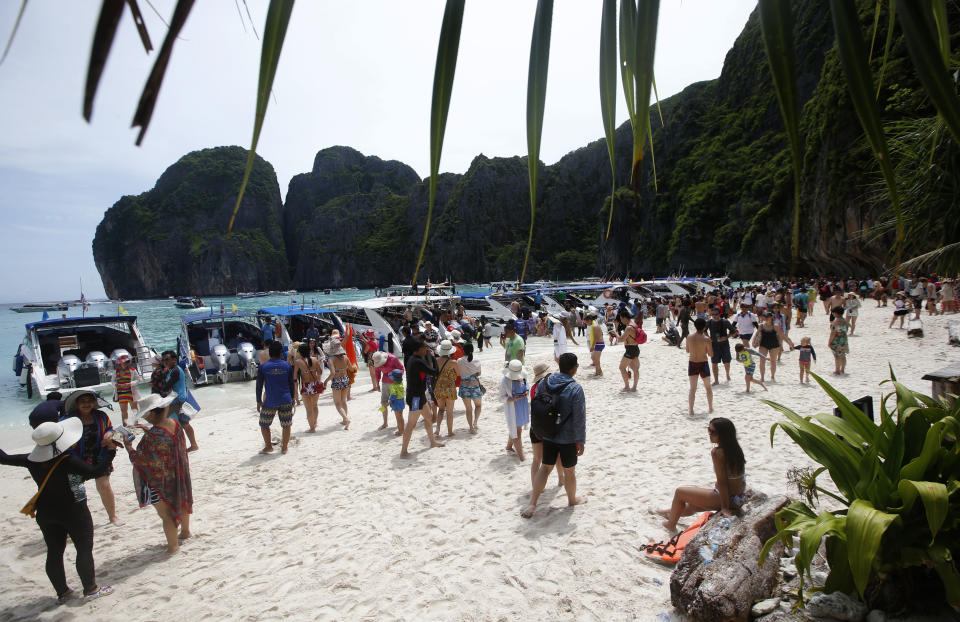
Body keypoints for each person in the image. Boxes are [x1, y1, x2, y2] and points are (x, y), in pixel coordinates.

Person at [0, 419, 113, 603]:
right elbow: (95, 471)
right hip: (74, 509)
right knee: (84, 548)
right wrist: (111, 451)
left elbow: (3, 458)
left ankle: (63, 593)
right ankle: (91, 590)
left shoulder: (31, 460)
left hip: (46, 512)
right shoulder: (67, 460)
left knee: (54, 551)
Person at [121, 393, 192, 554]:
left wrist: (129, 447)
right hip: (179, 475)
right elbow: (168, 443)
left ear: (151, 414)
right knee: (182, 501)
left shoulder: (153, 437)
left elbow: (140, 460)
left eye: (145, 414)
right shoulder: (174, 423)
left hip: (162, 482)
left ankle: (173, 547)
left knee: (166, 515)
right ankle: (186, 532)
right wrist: (149, 431)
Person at [521, 353, 586, 518]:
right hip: (567, 437)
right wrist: (580, 441)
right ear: (573, 368)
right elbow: (579, 417)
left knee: (545, 467)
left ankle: (532, 503)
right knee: (569, 471)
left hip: (547, 433)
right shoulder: (575, 388)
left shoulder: (544, 382)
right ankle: (572, 500)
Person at [657, 417, 746, 532]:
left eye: (712, 432)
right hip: (739, 498)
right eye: (708, 429)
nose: (709, 434)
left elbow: (722, 482)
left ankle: (670, 525)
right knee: (693, 506)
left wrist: (724, 508)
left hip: (727, 498)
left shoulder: (718, 452)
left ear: (723, 434)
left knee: (680, 492)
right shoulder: (735, 448)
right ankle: (667, 512)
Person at [63, 390, 121, 525]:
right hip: (76, 459)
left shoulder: (101, 416)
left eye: (89, 401)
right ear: (76, 403)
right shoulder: (67, 420)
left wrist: (110, 434)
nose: (86, 404)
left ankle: (113, 517)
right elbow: (58, 436)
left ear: (94, 403)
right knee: (76, 492)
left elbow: (110, 428)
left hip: (99, 456)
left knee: (104, 486)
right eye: (82, 401)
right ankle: (77, 522)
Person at [400, 339, 445, 457]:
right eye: (425, 347)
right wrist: (434, 357)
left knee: (428, 417)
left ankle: (432, 442)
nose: (427, 349)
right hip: (415, 398)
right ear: (418, 349)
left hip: (419, 395)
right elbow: (435, 372)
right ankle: (403, 451)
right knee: (411, 424)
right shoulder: (416, 362)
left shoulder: (413, 358)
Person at [527, 362, 564, 488]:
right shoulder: (553, 386)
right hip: (550, 426)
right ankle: (561, 480)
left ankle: (535, 486)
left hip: (536, 426)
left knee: (536, 459)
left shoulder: (533, 389)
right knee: (558, 456)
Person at [255, 341, 296, 454]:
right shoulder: (287, 365)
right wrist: (293, 398)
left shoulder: (263, 367)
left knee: (264, 424)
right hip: (286, 399)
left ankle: (269, 447)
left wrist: (258, 401)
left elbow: (259, 386)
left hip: (270, 401)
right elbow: (291, 384)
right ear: (281, 353)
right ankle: (284, 448)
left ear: (270, 353)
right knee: (286, 424)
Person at [159, 351, 199, 453]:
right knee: (184, 424)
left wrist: (163, 389)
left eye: (167, 359)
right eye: (163, 360)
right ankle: (193, 445)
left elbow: (166, 387)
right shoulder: (172, 370)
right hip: (177, 400)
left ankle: (178, 448)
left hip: (177, 401)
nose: (164, 362)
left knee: (171, 425)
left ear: (174, 359)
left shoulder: (176, 371)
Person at [500, 360, 529, 460]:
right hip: (513, 408)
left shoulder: (523, 376)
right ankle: (522, 457)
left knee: (515, 429)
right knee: (517, 431)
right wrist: (512, 399)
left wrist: (526, 391)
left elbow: (527, 386)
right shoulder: (504, 381)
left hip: (522, 406)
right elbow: (501, 397)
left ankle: (508, 447)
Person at [373, 350, 405, 435]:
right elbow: (377, 372)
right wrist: (377, 384)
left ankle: (399, 426)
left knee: (396, 406)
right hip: (384, 383)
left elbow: (402, 369)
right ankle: (385, 423)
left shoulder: (393, 358)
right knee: (383, 402)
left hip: (395, 383)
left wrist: (396, 380)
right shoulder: (377, 359)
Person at [433, 340, 461, 437]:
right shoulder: (453, 362)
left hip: (439, 387)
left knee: (441, 409)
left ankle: (437, 429)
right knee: (449, 412)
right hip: (450, 387)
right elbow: (458, 374)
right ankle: (450, 432)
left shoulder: (436, 361)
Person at [686, 318, 714, 415]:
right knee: (708, 387)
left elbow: (687, 350)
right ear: (705, 327)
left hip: (692, 362)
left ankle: (691, 410)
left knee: (693, 388)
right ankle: (710, 407)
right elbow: (711, 354)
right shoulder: (706, 339)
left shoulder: (689, 337)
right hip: (703, 363)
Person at [294, 342, 324, 432]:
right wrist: (317, 378)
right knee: (315, 406)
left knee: (308, 409)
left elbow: (294, 376)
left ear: (300, 352)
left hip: (306, 386)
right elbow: (320, 372)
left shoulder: (298, 362)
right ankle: (315, 422)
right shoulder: (315, 359)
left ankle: (312, 428)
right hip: (315, 384)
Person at [322, 341, 352, 430]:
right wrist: (343, 369)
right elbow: (351, 369)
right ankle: (344, 419)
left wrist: (326, 381)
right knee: (344, 401)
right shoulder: (346, 358)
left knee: (337, 403)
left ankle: (346, 419)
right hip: (345, 379)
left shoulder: (331, 360)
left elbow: (332, 373)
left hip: (337, 381)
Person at [456, 342, 483, 433]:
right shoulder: (477, 359)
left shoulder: (459, 360)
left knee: (468, 408)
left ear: (463, 350)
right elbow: (479, 374)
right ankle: (475, 422)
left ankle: (471, 427)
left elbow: (458, 374)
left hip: (464, 386)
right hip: (474, 385)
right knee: (478, 405)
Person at [707, 307, 734, 384]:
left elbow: (733, 331)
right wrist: (708, 337)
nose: (714, 316)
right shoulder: (709, 322)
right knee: (714, 363)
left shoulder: (725, 322)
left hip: (724, 345)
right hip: (714, 345)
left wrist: (726, 337)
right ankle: (716, 380)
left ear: (720, 314)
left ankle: (727, 375)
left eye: (716, 314)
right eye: (713, 314)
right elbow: (703, 331)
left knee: (727, 362)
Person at [616, 310, 642, 392]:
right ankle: (634, 388)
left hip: (630, 350)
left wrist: (615, 333)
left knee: (621, 367)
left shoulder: (629, 327)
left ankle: (627, 386)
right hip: (635, 348)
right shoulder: (634, 324)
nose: (621, 321)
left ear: (624, 318)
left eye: (621, 319)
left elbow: (621, 339)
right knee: (635, 369)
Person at [112, 355, 139, 426]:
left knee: (134, 409)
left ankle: (136, 424)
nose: (126, 363)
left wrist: (130, 384)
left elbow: (138, 380)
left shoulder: (132, 370)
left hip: (131, 392)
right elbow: (112, 381)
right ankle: (125, 425)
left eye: (127, 362)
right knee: (123, 410)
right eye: (124, 362)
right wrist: (116, 385)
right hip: (121, 393)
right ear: (120, 363)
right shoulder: (115, 371)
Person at [828, 307, 849, 375]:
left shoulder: (835, 322)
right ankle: (842, 369)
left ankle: (837, 370)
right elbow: (846, 330)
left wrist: (829, 342)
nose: (833, 314)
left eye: (833, 312)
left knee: (837, 356)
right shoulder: (845, 321)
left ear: (836, 313)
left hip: (837, 340)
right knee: (843, 355)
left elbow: (833, 333)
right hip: (844, 339)